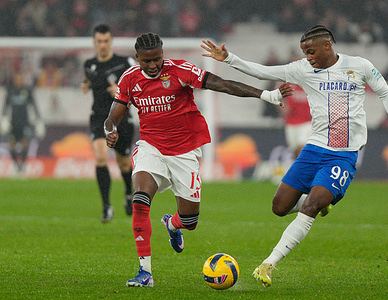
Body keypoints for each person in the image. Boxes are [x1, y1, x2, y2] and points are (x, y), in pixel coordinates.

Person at [202, 24, 388, 287]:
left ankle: (268, 263)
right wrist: (229, 59)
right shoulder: (303, 69)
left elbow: (384, 91)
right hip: (314, 149)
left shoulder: (359, 66)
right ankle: (323, 202)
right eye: (304, 53)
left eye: (311, 51)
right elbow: (262, 70)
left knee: (310, 207)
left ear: (327, 46)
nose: (308, 57)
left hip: (342, 155)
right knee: (279, 208)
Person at [103, 32, 292, 287]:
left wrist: (266, 95)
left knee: (190, 221)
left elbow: (222, 84)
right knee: (140, 200)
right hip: (151, 148)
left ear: (163, 53)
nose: (153, 65)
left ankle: (173, 224)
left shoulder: (180, 70)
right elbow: (113, 114)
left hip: (185, 151)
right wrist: (110, 129)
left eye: (157, 58)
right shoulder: (130, 79)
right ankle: (144, 272)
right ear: (137, 58)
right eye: (147, 60)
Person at [81, 24, 136, 223]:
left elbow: (140, 85)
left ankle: (129, 194)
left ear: (111, 41)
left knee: (123, 163)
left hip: (120, 116)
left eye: (105, 41)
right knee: (101, 158)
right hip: (98, 117)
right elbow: (90, 80)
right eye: (99, 41)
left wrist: (122, 92)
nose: (102, 45)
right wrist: (86, 86)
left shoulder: (125, 62)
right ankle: (106, 207)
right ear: (94, 42)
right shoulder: (89, 64)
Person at [1, 71, 44, 175]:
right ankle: (16, 165)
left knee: (25, 144)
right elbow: (5, 107)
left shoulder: (28, 91)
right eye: (17, 79)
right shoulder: (10, 91)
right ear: (14, 80)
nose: (19, 81)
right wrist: (3, 119)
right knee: (12, 145)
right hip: (13, 123)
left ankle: (23, 166)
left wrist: (38, 120)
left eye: (20, 79)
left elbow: (34, 106)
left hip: (25, 123)